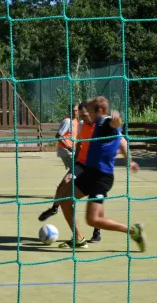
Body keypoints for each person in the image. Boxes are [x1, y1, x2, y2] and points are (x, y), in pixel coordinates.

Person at [55, 96, 146, 251]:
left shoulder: (104, 123)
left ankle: (133, 231)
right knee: (65, 200)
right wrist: (129, 160)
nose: (86, 115)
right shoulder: (97, 123)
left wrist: (116, 121)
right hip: (90, 173)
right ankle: (78, 239)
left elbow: (112, 125)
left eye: (89, 111)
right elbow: (122, 141)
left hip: (101, 178)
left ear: (100, 111)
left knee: (93, 220)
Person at [39, 101, 100, 243]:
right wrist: (76, 159)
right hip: (81, 163)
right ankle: (54, 208)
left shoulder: (101, 126)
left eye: (82, 112)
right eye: (79, 111)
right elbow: (78, 143)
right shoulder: (80, 125)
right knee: (65, 181)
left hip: (97, 168)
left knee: (95, 199)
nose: (79, 114)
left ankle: (97, 231)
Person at [56, 104, 79, 170]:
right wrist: (68, 147)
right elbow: (58, 136)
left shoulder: (76, 120)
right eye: (73, 111)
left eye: (76, 111)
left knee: (75, 171)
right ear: (69, 111)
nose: (75, 112)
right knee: (75, 170)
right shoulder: (68, 121)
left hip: (72, 150)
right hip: (66, 150)